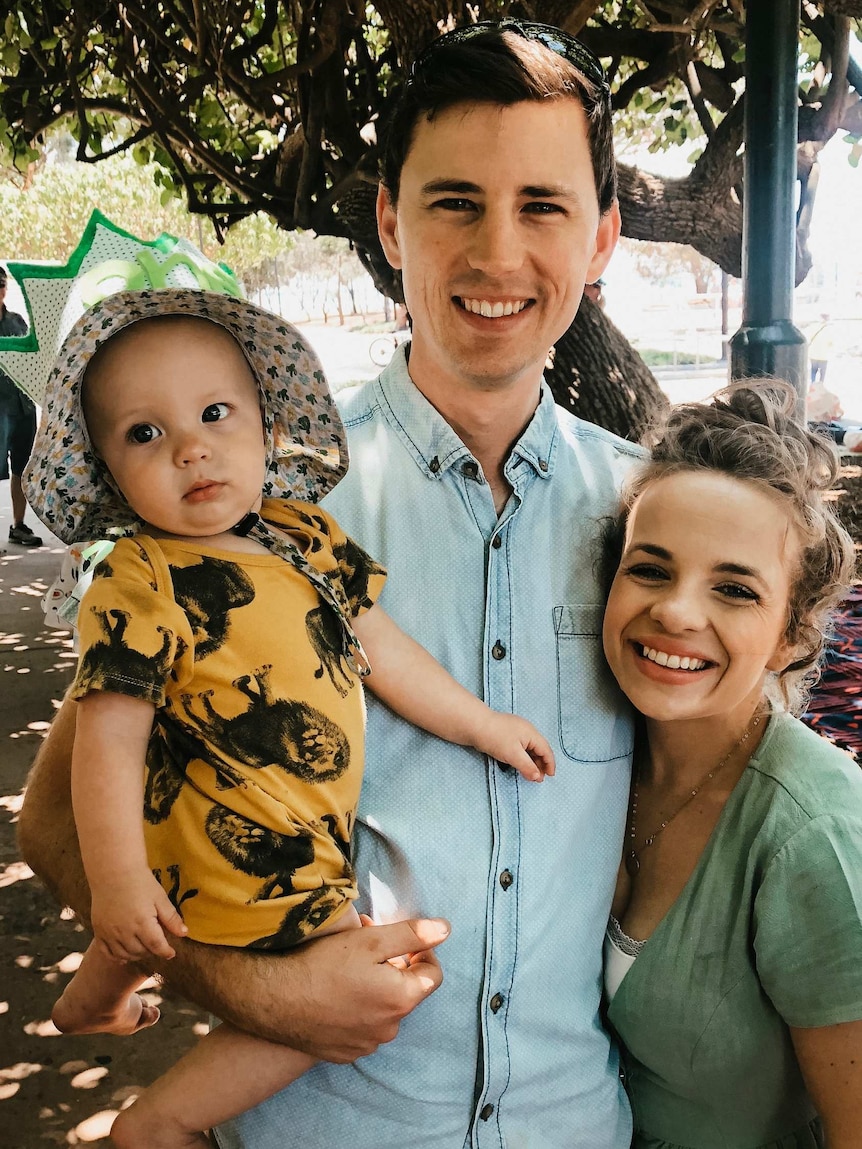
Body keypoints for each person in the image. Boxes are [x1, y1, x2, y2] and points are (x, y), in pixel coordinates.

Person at [19, 20, 638, 1148]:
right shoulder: (233, 518)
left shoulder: (657, 525)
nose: (499, 253)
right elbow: (61, 824)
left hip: (574, 1124)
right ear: (389, 223)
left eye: (542, 206)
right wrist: (254, 994)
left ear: (600, 239)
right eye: (454, 201)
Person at [25, 287, 554, 1149]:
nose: (191, 447)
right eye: (144, 434)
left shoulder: (304, 536)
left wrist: (483, 725)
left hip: (288, 822)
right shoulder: (139, 574)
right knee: (342, 994)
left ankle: (96, 994)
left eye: (213, 413)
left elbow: (386, 650)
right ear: (108, 472)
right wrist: (117, 878)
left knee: (171, 936)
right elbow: (108, 740)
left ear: (267, 427)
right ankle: (162, 1119)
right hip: (256, 841)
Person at [601, 380, 862, 1148]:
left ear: (790, 635)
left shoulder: (814, 833)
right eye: (649, 569)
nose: (678, 611)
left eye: (735, 588)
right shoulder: (594, 759)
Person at [0, 265, 43, 548]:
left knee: (22, 470)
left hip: (22, 408)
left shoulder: (16, 322)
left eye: (1, 285)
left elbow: (32, 360)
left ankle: (18, 526)